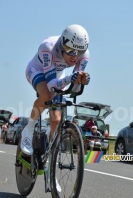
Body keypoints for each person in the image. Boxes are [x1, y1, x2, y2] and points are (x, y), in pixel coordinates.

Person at [21, 24, 91, 156]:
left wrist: (81, 82)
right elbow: (52, 86)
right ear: (63, 44)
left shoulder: (85, 54)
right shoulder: (48, 47)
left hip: (58, 74)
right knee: (47, 96)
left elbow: (73, 90)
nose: (74, 57)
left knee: (56, 119)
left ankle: (51, 151)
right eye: (70, 50)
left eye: (79, 52)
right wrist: (71, 78)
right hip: (37, 70)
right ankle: (29, 129)